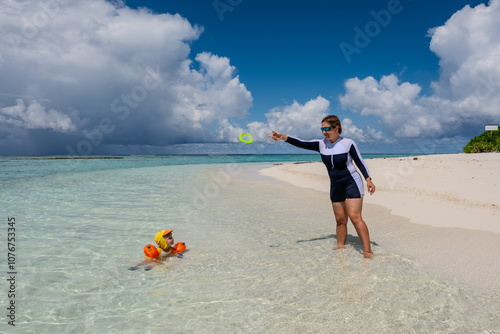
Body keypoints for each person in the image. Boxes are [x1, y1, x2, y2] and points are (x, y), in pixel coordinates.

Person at [268, 115, 376, 258]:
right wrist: (282, 136)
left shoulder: (348, 143)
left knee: (355, 216)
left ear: (336, 128)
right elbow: (301, 143)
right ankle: (341, 249)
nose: (324, 132)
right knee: (340, 220)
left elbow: (360, 162)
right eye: (322, 129)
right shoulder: (321, 144)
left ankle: (368, 251)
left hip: (351, 182)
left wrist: (368, 179)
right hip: (335, 185)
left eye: (327, 129)